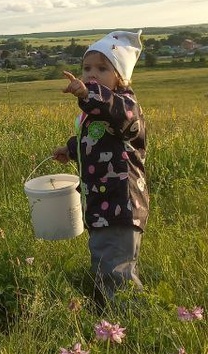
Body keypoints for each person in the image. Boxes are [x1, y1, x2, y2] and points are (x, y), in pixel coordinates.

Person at [51, 30, 147, 302]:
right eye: (87, 68)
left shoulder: (125, 105)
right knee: (106, 260)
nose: (92, 74)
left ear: (121, 77)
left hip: (121, 203)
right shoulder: (98, 109)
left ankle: (129, 320)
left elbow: (115, 113)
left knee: (115, 270)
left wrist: (87, 92)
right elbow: (95, 136)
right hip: (102, 202)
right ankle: (111, 308)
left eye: (102, 69)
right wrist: (71, 149)